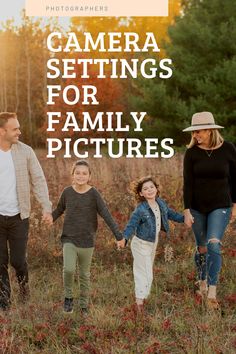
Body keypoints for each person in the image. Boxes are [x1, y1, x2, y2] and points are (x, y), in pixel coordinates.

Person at [51, 160, 124, 314]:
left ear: (89, 176)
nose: (81, 176)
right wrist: (49, 218)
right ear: (72, 174)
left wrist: (118, 235)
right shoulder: (67, 192)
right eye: (77, 173)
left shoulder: (94, 194)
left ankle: (84, 305)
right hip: (69, 238)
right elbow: (59, 209)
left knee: (84, 274)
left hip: (87, 241)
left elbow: (106, 215)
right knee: (69, 269)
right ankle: (68, 297)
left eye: (84, 173)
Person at [183, 112, 236, 309]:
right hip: (197, 207)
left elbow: (235, 180)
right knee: (202, 248)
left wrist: (235, 205)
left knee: (214, 245)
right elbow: (187, 184)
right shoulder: (192, 153)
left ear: (210, 130)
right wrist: (187, 210)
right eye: (194, 131)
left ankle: (212, 292)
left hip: (220, 205)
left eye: (199, 131)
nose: (196, 135)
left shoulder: (228, 149)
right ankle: (202, 281)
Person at [0, 112, 52, 311]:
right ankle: (4, 303)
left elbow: (38, 180)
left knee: (18, 261)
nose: (19, 132)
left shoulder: (26, 152)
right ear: (2, 131)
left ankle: (24, 289)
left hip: (19, 217)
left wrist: (46, 208)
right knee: (0, 262)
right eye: (15, 129)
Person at [121, 176, 184, 311]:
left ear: (156, 189)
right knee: (143, 273)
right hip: (140, 244)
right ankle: (139, 305)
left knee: (148, 273)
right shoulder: (140, 209)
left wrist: (186, 218)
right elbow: (131, 225)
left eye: (151, 187)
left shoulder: (160, 203)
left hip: (152, 243)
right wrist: (125, 238)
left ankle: (143, 300)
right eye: (145, 189)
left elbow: (171, 214)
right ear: (141, 193)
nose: (149, 190)